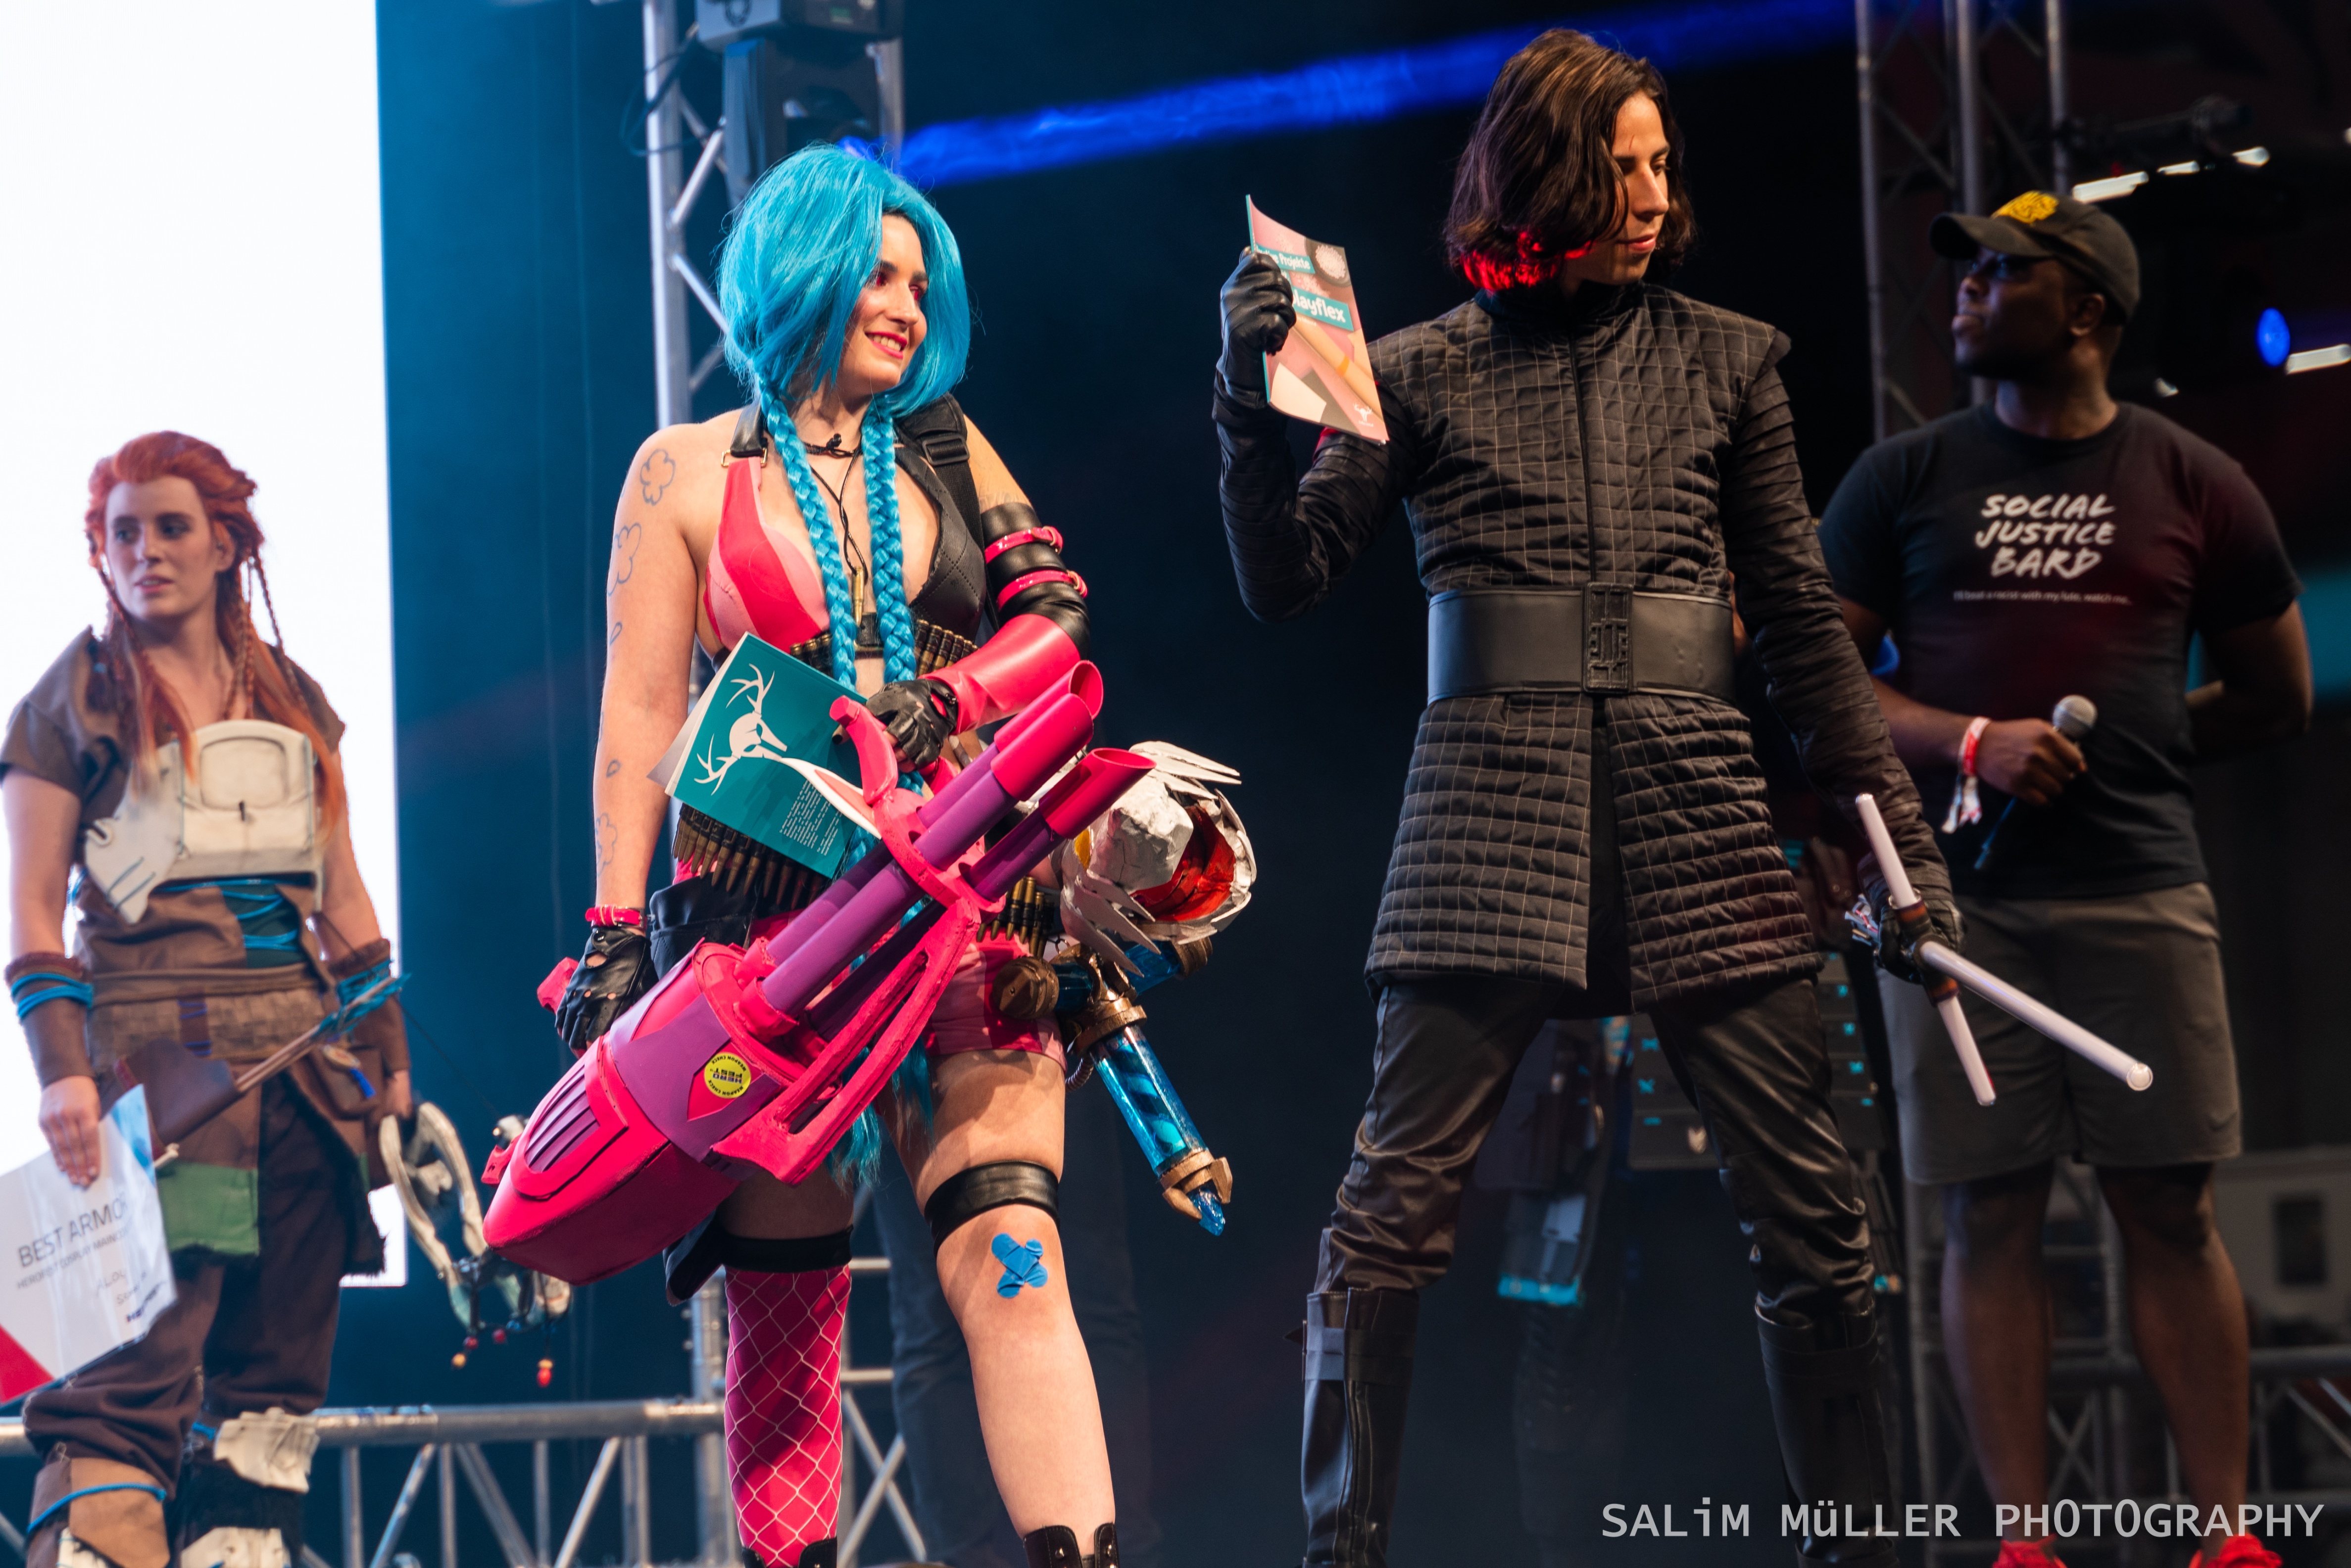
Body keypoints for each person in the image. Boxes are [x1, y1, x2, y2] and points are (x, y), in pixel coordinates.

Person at [1212, 29, 1957, 1568]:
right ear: (1542, 170)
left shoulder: (1726, 358)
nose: (1649, 194)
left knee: (1820, 1224)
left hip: (1696, 813)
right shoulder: (1407, 367)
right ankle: (1339, 1553)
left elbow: (1799, 628)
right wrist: (1240, 400)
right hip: (1487, 816)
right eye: (1618, 167)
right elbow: (1283, 578)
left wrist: (1902, 856)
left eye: (1659, 165)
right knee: (1384, 1220)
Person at [556, 144, 1117, 1568]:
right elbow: (638, 717)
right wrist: (614, 933)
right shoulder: (681, 470)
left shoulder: (946, 444)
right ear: (799, 268)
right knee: (786, 1314)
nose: (906, 306)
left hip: (966, 910)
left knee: (1015, 1264)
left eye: (920, 282)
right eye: (877, 273)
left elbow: (1057, 617)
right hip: (767, 940)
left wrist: (952, 694)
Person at [1819, 190, 2310, 1568]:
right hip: (1953, 909)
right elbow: (1818, 688)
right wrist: (1968, 738)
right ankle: (2024, 1545)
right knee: (1986, 1211)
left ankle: (2224, 1538)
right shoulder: (1901, 479)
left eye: (2001, 274)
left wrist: (2134, 750)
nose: (1966, 291)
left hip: (2138, 892)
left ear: (2086, 309)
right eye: (1965, 272)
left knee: (2169, 1208)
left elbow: (2273, 695)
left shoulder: (2191, 478)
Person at [2, 431, 412, 1568]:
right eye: (122, 531)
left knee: (274, 1384)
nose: (146, 550)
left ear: (226, 542)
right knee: (134, 1368)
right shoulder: (73, 701)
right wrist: (62, 1072)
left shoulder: (291, 696)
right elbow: (32, 912)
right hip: (166, 1088)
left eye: (171, 526)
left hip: (308, 1087)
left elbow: (343, 893)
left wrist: (391, 1063)